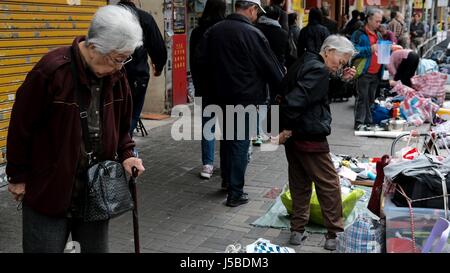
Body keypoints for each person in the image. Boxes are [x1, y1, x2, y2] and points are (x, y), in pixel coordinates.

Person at [6, 5, 146, 253]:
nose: (120, 66)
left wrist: (127, 154)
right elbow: (21, 127)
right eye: (117, 58)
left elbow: (123, 125)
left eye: (125, 59)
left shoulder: (117, 77)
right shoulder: (52, 71)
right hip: (50, 189)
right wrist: (17, 177)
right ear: (93, 47)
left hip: (96, 191)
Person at [197, 0, 284, 207]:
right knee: (239, 143)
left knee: (227, 140)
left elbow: (200, 64)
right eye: (256, 12)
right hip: (244, 98)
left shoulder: (213, 31)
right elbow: (270, 67)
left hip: (218, 97)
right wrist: (281, 89)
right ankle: (235, 192)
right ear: (251, 9)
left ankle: (228, 181)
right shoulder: (253, 34)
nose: (256, 16)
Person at [277, 35, 356, 251]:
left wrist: (341, 80)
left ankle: (297, 231)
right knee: (329, 184)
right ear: (329, 51)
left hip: (296, 134)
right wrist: (287, 128)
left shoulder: (306, 61)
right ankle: (335, 235)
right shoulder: (317, 69)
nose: (341, 65)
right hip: (307, 133)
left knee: (300, 181)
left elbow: (317, 93)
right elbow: (296, 101)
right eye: (340, 61)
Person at [118, 0, 167, 137]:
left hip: (111, 74)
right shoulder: (144, 18)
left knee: (113, 112)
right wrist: (158, 66)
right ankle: (124, 146)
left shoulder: (109, 16)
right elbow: (158, 48)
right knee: (133, 114)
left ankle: (118, 146)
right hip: (136, 75)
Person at [190, 0, 226, 179]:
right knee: (229, 126)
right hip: (226, 86)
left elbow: (193, 62)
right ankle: (228, 164)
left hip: (204, 86)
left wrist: (196, 85)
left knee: (207, 126)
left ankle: (207, 165)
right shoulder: (226, 31)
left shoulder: (197, 31)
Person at [352, 8, 385, 131]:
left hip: (376, 72)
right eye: (377, 21)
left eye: (380, 21)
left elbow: (381, 51)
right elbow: (353, 50)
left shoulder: (379, 34)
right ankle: (359, 122)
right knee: (362, 98)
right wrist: (370, 49)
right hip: (363, 71)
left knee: (371, 99)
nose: (379, 24)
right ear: (369, 19)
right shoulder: (359, 34)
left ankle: (368, 122)